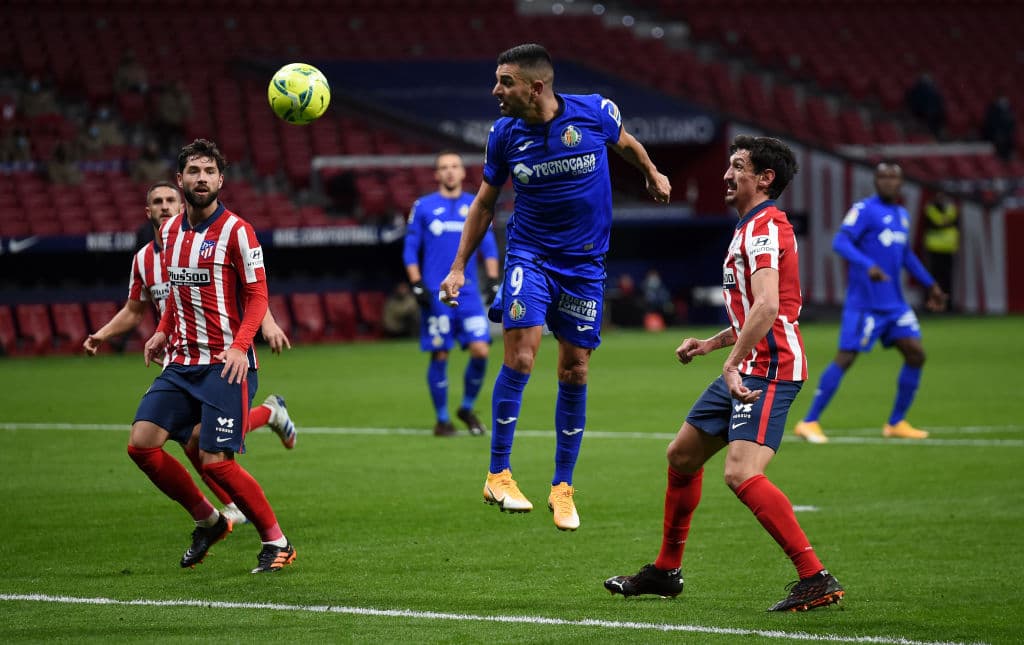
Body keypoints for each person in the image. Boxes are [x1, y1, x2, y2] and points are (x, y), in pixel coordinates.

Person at [604, 135, 844, 612]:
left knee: (740, 473)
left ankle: (815, 576)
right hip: (750, 362)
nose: (726, 175)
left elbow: (770, 306)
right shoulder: (751, 227)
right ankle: (667, 571)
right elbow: (752, 312)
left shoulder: (763, 228)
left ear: (765, 178)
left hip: (771, 367)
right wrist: (714, 344)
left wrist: (731, 363)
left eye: (737, 166)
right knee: (682, 456)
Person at [439, 44, 671, 531]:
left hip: (585, 264)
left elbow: (626, 143)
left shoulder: (594, 113)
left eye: (505, 81)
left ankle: (561, 487)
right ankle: (498, 472)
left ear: (535, 87)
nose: (495, 91)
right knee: (522, 356)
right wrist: (459, 266)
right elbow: (483, 204)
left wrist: (651, 172)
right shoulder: (503, 136)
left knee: (575, 369)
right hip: (530, 255)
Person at [84, 180, 298, 525]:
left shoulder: (215, 238)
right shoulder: (144, 260)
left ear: (182, 204)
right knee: (190, 441)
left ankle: (237, 510)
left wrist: (268, 324)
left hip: (221, 356)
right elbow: (136, 309)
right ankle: (235, 493)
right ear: (148, 211)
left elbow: (249, 290)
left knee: (204, 441)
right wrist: (104, 334)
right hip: (179, 358)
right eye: (158, 201)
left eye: (171, 199)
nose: (166, 206)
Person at [127, 140, 295, 573]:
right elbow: (178, 297)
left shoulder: (239, 231)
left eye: (208, 171)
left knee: (215, 461)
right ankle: (209, 520)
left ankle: (277, 542)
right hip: (181, 362)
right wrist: (162, 332)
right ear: (181, 179)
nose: (201, 178)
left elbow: (257, 295)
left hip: (226, 364)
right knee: (142, 446)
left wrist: (241, 347)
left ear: (221, 180)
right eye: (193, 171)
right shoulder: (166, 233)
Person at [793, 162, 947, 444]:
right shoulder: (864, 210)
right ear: (875, 182)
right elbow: (840, 242)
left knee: (916, 354)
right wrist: (868, 265)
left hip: (895, 304)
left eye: (894, 178)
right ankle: (809, 421)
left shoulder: (901, 214)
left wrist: (930, 285)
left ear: (901, 183)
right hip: (865, 303)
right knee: (846, 357)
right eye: (883, 177)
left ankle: (896, 422)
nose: (889, 182)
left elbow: (906, 256)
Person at [404, 150, 500, 437]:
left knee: (481, 350)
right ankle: (443, 419)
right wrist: (416, 282)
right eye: (443, 167)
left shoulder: (476, 204)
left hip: (468, 293)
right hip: (436, 292)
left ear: (462, 173)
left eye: (454, 166)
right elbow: (410, 248)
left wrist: (493, 279)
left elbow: (489, 247)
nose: (449, 171)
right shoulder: (423, 207)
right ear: (436, 174)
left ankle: (466, 407)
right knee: (440, 353)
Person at [922, 191, 958, 309]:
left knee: (947, 279)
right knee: (932, 278)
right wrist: (945, 222)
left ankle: (947, 304)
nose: (941, 198)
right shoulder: (931, 209)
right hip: (934, 248)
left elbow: (953, 222)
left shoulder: (951, 208)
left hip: (948, 248)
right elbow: (937, 223)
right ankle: (930, 303)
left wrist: (943, 223)